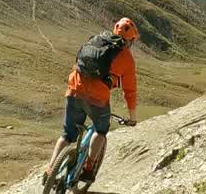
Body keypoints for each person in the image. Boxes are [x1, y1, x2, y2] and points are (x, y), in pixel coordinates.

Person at [44, 18, 140, 185]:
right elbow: (130, 92)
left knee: (67, 135)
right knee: (101, 131)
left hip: (75, 88)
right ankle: (88, 169)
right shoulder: (127, 58)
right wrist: (132, 118)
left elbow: (78, 62)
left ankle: (50, 169)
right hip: (98, 98)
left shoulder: (95, 40)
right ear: (130, 40)